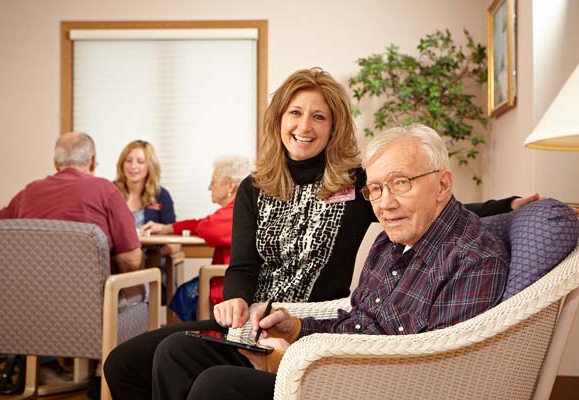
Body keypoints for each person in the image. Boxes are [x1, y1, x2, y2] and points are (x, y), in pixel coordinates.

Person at [103, 68, 531, 400]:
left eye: (318, 116)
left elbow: (424, 204)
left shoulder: (357, 183)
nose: (304, 125)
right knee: (127, 361)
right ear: (280, 119)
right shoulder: (256, 185)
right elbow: (243, 265)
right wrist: (236, 299)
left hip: (313, 324)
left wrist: (505, 206)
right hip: (260, 318)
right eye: (295, 113)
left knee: (197, 373)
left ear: (333, 126)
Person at [175, 124, 511, 400]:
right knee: (182, 352)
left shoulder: (474, 258)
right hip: (339, 363)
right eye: (375, 189)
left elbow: (433, 374)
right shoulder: (391, 241)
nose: (385, 204)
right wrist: (295, 330)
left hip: (364, 386)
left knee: (218, 386)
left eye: (400, 184)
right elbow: (358, 322)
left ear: (443, 184)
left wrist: (297, 365)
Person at [0, 132, 142, 274]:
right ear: (93, 160)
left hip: (34, 295)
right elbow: (131, 261)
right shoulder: (106, 190)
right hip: (95, 298)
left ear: (56, 163)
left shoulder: (28, 193)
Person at [142, 155, 251, 265]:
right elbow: (202, 224)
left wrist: (170, 228)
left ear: (230, 186)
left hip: (224, 280)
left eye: (213, 182)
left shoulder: (238, 213)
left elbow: (208, 227)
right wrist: (168, 228)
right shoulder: (238, 210)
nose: (209, 187)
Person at [114, 140, 180, 262]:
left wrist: (157, 254)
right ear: (122, 164)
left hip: (151, 263)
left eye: (140, 162)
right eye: (128, 161)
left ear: (150, 165)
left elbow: (175, 243)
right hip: (118, 259)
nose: (133, 166)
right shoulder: (110, 192)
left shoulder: (161, 195)